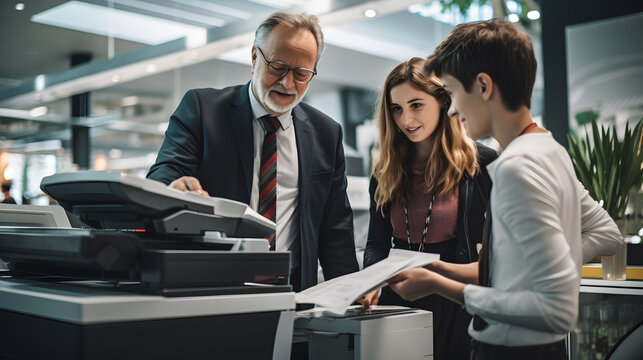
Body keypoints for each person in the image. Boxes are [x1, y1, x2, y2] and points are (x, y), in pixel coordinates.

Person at [387, 19, 623, 359]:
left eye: (452, 93)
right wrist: (536, 273)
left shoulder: (516, 167)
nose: (452, 109)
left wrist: (439, 285)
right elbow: (605, 233)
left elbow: (553, 309)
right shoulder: (549, 149)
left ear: (483, 86)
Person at [147, 11, 359, 292]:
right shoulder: (203, 109)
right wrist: (174, 186)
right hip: (209, 285)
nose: (287, 83)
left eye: (301, 73)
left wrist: (350, 290)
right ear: (254, 58)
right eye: (278, 66)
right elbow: (164, 173)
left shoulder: (326, 133)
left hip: (293, 291)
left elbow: (335, 230)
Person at [360, 57, 497, 359]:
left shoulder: (482, 164)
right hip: (396, 300)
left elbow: (495, 259)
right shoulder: (385, 170)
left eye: (416, 105)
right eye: (396, 108)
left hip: (454, 299)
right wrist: (370, 280)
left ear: (443, 101)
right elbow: (376, 244)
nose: (406, 120)